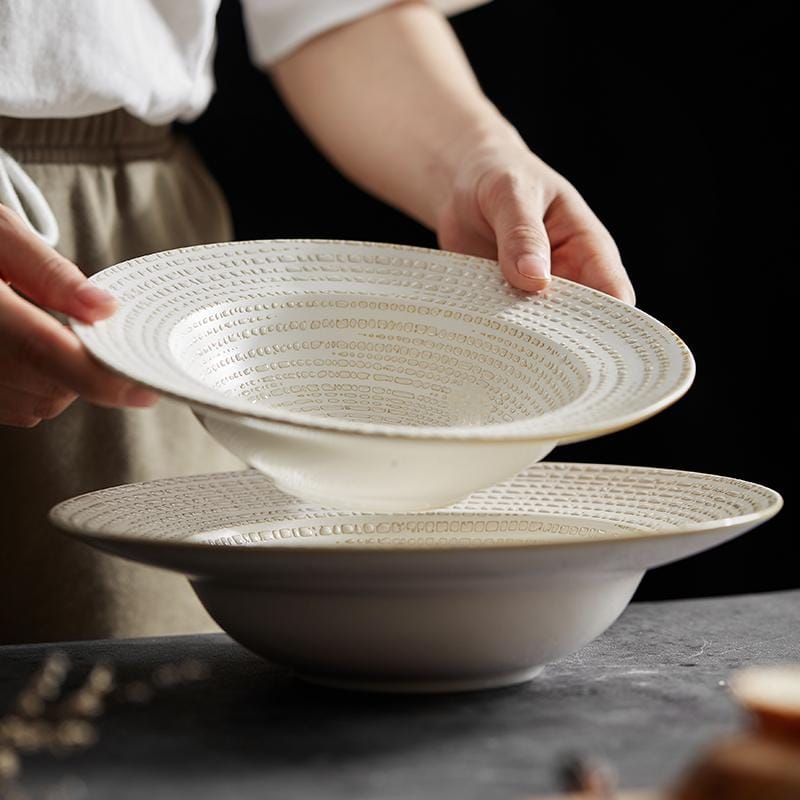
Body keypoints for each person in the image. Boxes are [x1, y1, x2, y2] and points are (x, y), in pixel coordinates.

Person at [0, 0, 634, 644]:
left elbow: (332, 12)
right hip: (75, 243)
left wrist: (476, 157)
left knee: (118, 674)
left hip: (129, 252)